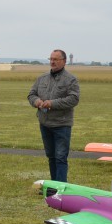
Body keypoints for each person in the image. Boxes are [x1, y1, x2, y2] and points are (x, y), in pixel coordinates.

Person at [28, 49, 80, 182]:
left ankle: (61, 189)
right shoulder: (42, 78)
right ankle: (54, 186)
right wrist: (36, 101)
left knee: (60, 157)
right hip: (44, 123)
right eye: (51, 59)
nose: (52, 62)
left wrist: (52, 103)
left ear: (64, 61)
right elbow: (31, 94)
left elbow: (73, 99)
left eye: (56, 59)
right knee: (51, 156)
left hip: (61, 125)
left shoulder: (70, 79)